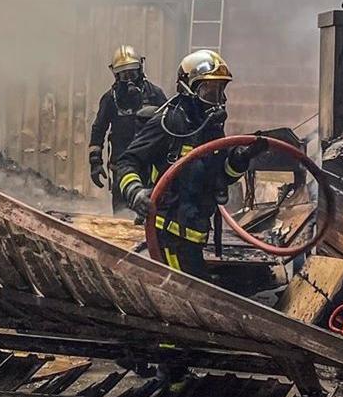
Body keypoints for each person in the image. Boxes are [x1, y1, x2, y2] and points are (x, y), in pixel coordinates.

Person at [112, 49, 267, 280]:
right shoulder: (168, 123)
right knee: (185, 295)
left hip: (194, 236)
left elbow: (220, 178)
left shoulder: (211, 129)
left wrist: (239, 160)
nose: (218, 101)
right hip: (169, 235)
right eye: (210, 92)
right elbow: (127, 161)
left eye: (220, 92)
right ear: (188, 90)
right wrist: (136, 192)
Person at [87, 45, 168, 218]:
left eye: (132, 73)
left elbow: (171, 128)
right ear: (116, 76)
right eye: (124, 75)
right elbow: (98, 129)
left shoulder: (155, 95)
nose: (129, 80)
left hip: (150, 169)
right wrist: (95, 162)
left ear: (141, 70)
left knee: (151, 213)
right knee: (122, 217)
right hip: (122, 169)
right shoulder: (111, 99)